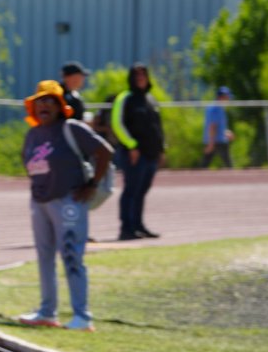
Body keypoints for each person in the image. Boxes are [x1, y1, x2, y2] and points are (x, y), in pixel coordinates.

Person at [16, 81, 113, 331]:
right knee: (44, 256)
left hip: (69, 201)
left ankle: (82, 316)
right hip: (40, 202)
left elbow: (105, 151)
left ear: (60, 106)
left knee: (71, 256)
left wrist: (92, 183)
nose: (43, 105)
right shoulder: (33, 134)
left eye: (49, 101)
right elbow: (27, 161)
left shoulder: (72, 128)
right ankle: (47, 312)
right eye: (39, 101)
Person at [110, 63, 165, 241]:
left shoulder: (150, 99)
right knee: (131, 190)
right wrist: (131, 145)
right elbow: (117, 124)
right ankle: (126, 228)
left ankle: (138, 225)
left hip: (151, 154)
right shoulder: (125, 98)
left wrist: (162, 148)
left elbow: (158, 126)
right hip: (134, 154)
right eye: (137, 75)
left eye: (144, 74)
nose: (141, 78)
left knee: (142, 191)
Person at [199, 86, 235, 169]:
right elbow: (212, 126)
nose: (228, 99)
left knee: (204, 165)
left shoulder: (219, 108)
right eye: (227, 97)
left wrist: (226, 132)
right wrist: (211, 143)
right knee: (229, 165)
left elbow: (218, 126)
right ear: (221, 97)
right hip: (217, 141)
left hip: (217, 140)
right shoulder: (215, 108)